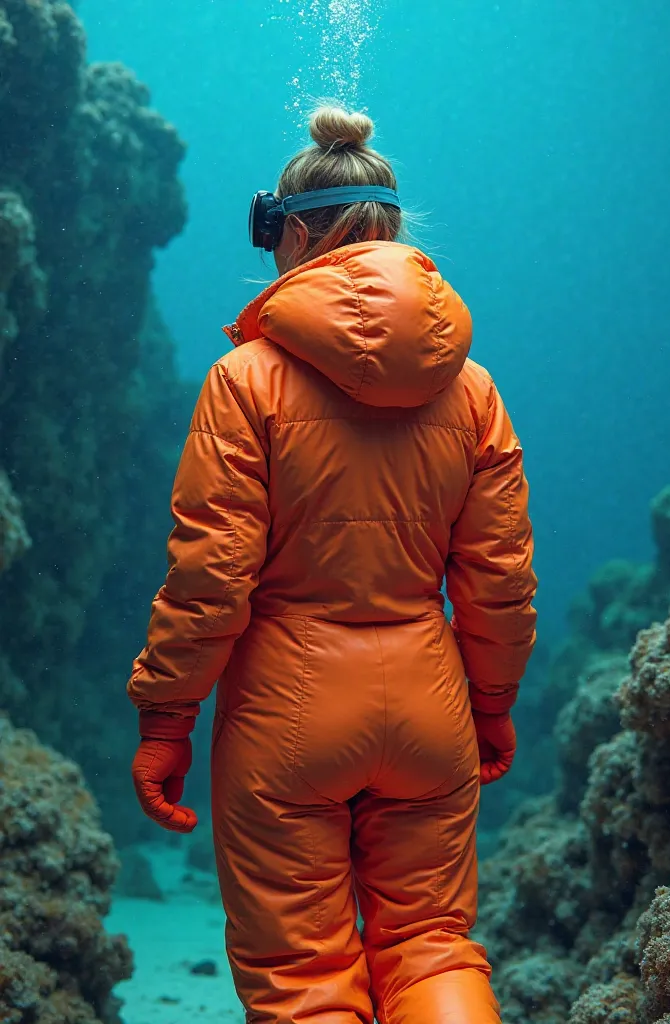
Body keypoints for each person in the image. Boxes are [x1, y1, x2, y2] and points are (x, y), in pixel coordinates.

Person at [128, 106, 537, 1024]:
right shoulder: (471, 388)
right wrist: (495, 703)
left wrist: (167, 717)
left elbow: (209, 576)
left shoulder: (247, 380)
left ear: (294, 230)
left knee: (305, 983)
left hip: (287, 716)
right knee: (433, 948)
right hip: (432, 711)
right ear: (393, 230)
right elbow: (500, 576)